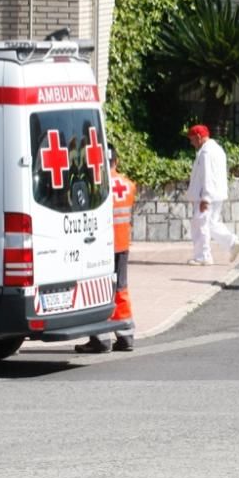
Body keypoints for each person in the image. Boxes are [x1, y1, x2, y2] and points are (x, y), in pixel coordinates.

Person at [75, 145, 136, 354]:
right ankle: (126, 335)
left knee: (97, 290)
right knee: (121, 289)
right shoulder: (129, 185)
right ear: (116, 161)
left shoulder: (97, 187)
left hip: (101, 246)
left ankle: (101, 339)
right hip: (122, 245)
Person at [186, 124, 239, 265]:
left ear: (199, 137)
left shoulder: (206, 153)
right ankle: (232, 243)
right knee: (211, 223)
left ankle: (203, 256)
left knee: (201, 225)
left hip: (206, 195)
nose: (191, 143)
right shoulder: (217, 149)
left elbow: (207, 175)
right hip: (216, 193)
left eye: (192, 139)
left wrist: (206, 197)